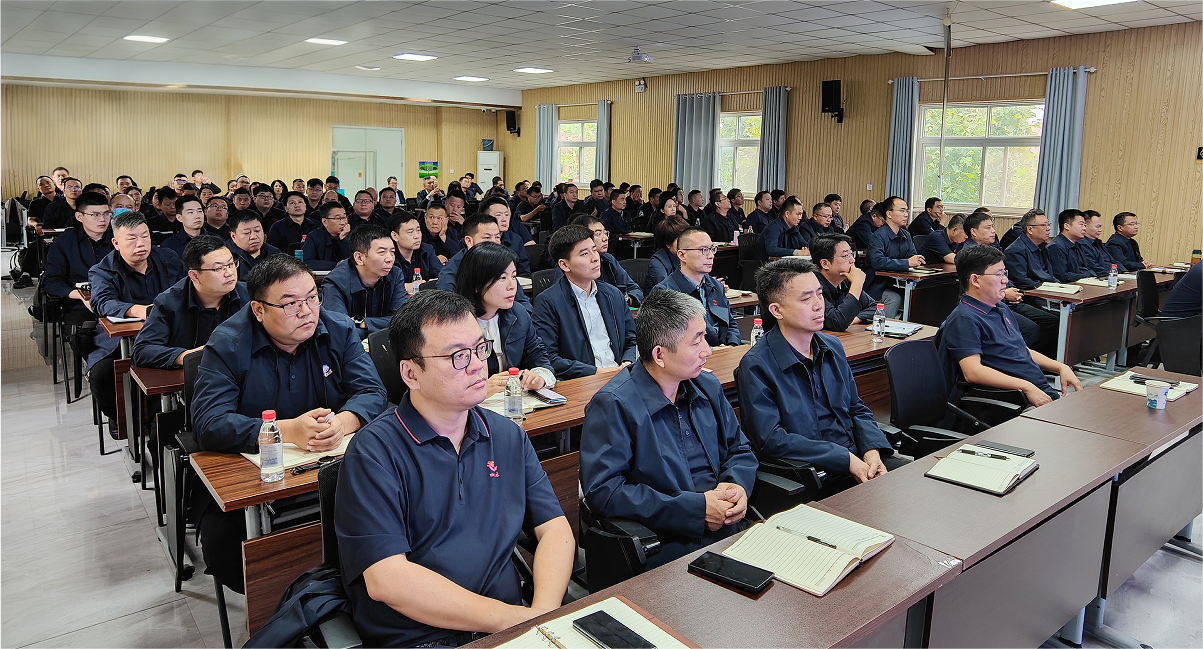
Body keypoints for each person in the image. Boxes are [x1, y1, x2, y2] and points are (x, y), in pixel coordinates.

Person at [334, 290, 573, 649]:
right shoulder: (374, 452)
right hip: (423, 638)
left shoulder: (506, 434)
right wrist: (513, 620)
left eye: (480, 349)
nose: (477, 365)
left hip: (510, 627)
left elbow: (554, 529)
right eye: (458, 356)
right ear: (411, 373)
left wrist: (543, 615)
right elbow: (388, 579)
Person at [192, 255, 386, 594]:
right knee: (230, 550)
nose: (307, 311)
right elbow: (209, 422)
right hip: (255, 478)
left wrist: (343, 422)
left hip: (333, 468)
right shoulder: (228, 343)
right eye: (290, 304)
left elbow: (371, 391)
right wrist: (286, 431)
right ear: (258, 309)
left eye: (312, 297)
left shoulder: (338, 329)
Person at [580, 289, 757, 567]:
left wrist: (736, 486)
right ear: (659, 355)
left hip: (729, 526)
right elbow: (605, 492)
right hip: (667, 543)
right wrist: (695, 510)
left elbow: (740, 449)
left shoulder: (707, 386)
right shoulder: (614, 404)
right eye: (697, 341)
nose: (708, 350)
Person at [738, 257, 901, 491]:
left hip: (857, 457)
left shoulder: (832, 346)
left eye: (820, 294)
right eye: (806, 298)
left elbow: (856, 408)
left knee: (916, 485)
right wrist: (845, 459)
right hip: (814, 473)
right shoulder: (756, 365)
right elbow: (771, 439)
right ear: (776, 310)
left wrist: (871, 450)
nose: (818, 305)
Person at [937, 244, 1081, 407]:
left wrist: (1060, 367)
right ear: (975, 280)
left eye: (1004, 273)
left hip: (1037, 390)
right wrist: (1026, 387)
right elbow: (973, 372)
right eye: (998, 274)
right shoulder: (965, 318)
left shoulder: (1000, 308)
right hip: (1014, 400)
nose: (1005, 280)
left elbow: (1020, 349)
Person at [87, 211, 186, 428]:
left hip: (169, 335)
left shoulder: (168, 258)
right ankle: (123, 419)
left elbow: (187, 290)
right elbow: (102, 303)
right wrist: (141, 310)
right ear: (116, 243)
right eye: (131, 238)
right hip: (120, 342)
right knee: (102, 375)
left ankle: (165, 421)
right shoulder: (102, 270)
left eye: (145, 236)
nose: (140, 243)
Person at [534, 225, 637, 379]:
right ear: (564, 265)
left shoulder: (613, 294)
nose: (595, 258)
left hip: (621, 375)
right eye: (584, 254)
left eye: (594, 250)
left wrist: (628, 362)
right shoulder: (548, 302)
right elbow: (549, 357)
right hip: (583, 380)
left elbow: (632, 339)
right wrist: (597, 373)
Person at [454, 243, 557, 396]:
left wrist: (539, 377)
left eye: (514, 276)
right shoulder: (455, 324)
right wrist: (480, 389)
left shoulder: (518, 314)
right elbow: (445, 383)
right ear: (477, 283)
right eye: (502, 278)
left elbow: (540, 358)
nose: (512, 286)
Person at [132, 236, 248, 369]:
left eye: (231, 264)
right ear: (194, 276)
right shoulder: (169, 302)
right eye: (218, 268)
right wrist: (189, 356)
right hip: (189, 377)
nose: (229, 273)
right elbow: (142, 351)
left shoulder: (250, 296)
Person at [651, 228, 741, 346]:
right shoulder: (664, 293)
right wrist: (711, 350)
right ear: (682, 255)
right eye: (704, 250)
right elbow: (670, 341)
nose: (711, 256)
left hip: (725, 352)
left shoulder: (716, 286)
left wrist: (732, 346)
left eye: (712, 249)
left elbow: (731, 324)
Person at [42, 191, 114, 326]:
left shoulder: (120, 239)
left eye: (106, 213)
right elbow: (51, 281)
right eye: (95, 215)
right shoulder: (65, 242)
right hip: (79, 303)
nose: (102, 219)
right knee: (81, 326)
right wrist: (80, 295)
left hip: (118, 299)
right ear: (79, 216)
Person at [322, 225, 409, 336]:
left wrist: (363, 323)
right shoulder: (335, 282)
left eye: (392, 252)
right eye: (382, 252)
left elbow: (402, 320)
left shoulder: (395, 274)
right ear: (359, 258)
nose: (390, 259)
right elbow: (340, 327)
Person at [435, 214, 530, 307]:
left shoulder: (502, 263)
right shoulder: (452, 270)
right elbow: (447, 308)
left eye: (497, 237)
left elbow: (523, 302)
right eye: (487, 238)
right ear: (469, 241)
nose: (494, 243)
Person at [810, 234, 894, 332]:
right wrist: (857, 284)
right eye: (846, 256)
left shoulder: (845, 282)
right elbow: (837, 322)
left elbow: (875, 308)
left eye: (851, 254)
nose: (853, 260)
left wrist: (856, 319)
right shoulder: (813, 287)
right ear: (825, 263)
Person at [568, 215, 644, 305]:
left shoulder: (608, 259)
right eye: (598, 234)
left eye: (605, 233)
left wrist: (624, 301)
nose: (605, 238)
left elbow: (634, 289)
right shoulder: (571, 265)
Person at [866, 196, 924, 313]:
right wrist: (907, 263)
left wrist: (916, 261)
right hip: (878, 285)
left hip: (900, 282)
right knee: (894, 298)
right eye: (902, 211)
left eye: (907, 211)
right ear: (889, 214)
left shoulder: (906, 235)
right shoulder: (878, 236)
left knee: (922, 293)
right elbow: (878, 262)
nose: (906, 215)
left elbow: (912, 256)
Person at [390, 211, 443, 291]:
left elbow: (443, 275)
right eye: (410, 232)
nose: (417, 236)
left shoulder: (427, 250)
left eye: (418, 230)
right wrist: (405, 287)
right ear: (395, 236)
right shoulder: (388, 255)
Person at [482, 198, 532, 277]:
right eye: (498, 215)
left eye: (506, 215)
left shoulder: (515, 239)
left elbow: (524, 270)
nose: (504, 219)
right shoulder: (477, 239)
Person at [227, 211, 281, 281]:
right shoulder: (225, 256)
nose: (253, 237)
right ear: (233, 236)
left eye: (257, 231)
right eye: (246, 233)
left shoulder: (275, 253)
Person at [756, 196, 810, 262]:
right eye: (798, 214)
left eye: (801, 214)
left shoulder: (794, 227)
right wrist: (797, 252)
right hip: (766, 265)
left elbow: (803, 244)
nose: (800, 218)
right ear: (787, 214)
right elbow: (772, 250)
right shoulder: (773, 228)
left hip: (784, 263)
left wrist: (806, 249)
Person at [302, 202, 351, 271]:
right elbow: (308, 262)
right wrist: (336, 265)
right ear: (325, 222)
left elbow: (353, 261)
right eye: (338, 218)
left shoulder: (351, 235)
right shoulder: (314, 237)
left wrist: (343, 239)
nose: (343, 222)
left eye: (344, 217)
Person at [645, 216, 689, 292]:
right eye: (680, 240)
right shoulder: (658, 261)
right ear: (668, 244)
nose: (685, 243)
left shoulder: (690, 255)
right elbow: (667, 290)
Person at [1048, 209, 1094, 282]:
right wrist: (1087, 275)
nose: (1084, 228)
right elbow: (1061, 276)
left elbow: (1086, 268)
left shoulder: (1078, 245)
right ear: (1066, 226)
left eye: (1085, 225)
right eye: (1081, 224)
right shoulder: (1056, 247)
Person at [1080, 210, 1121, 276]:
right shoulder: (1082, 244)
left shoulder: (1099, 243)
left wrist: (1124, 271)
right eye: (1097, 227)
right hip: (1101, 275)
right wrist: (1115, 271)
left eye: (1100, 227)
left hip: (1112, 273)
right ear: (1085, 226)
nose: (1100, 230)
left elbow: (1113, 261)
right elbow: (1094, 267)